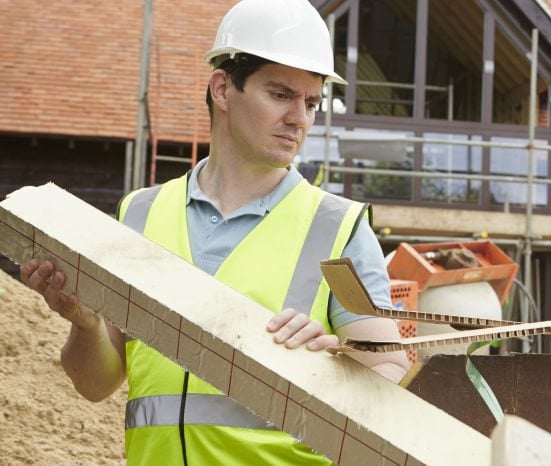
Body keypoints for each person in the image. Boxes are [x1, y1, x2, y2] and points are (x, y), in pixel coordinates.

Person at [18, 0, 409, 464]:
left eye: (311, 102)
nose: (300, 118)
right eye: (281, 95)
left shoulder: (338, 226)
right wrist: (84, 324)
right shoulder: (140, 212)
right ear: (223, 89)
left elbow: (390, 371)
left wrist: (331, 365)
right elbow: (94, 384)